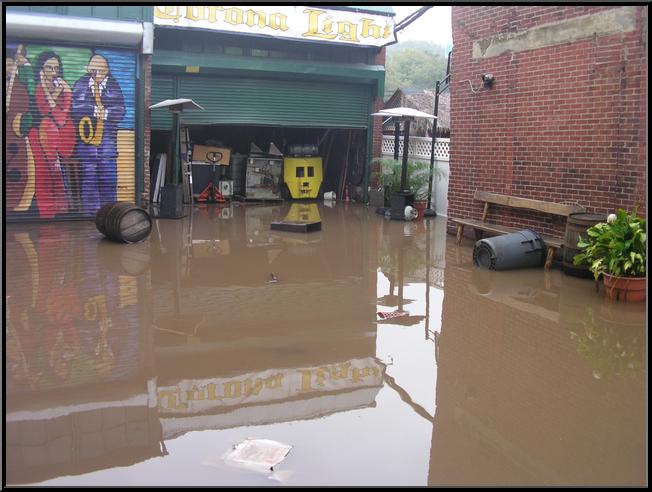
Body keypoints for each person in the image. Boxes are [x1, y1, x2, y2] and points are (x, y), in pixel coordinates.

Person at [72, 53, 125, 216]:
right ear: (88, 68)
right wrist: (95, 110)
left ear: (107, 70)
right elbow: (74, 108)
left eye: (101, 71)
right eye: (93, 70)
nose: (96, 74)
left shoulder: (113, 85)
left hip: (107, 139)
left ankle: (109, 213)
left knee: (108, 175)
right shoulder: (80, 84)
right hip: (85, 138)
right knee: (89, 176)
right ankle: (91, 214)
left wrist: (106, 114)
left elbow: (121, 111)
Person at [27, 51, 75, 219]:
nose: (53, 71)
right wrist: (55, 92)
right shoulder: (41, 89)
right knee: (44, 172)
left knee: (53, 170)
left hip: (61, 134)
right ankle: (48, 211)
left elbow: (61, 118)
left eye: (56, 67)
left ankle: (59, 209)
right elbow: (46, 110)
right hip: (45, 134)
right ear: (41, 69)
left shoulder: (62, 89)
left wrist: (66, 93)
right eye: (49, 67)